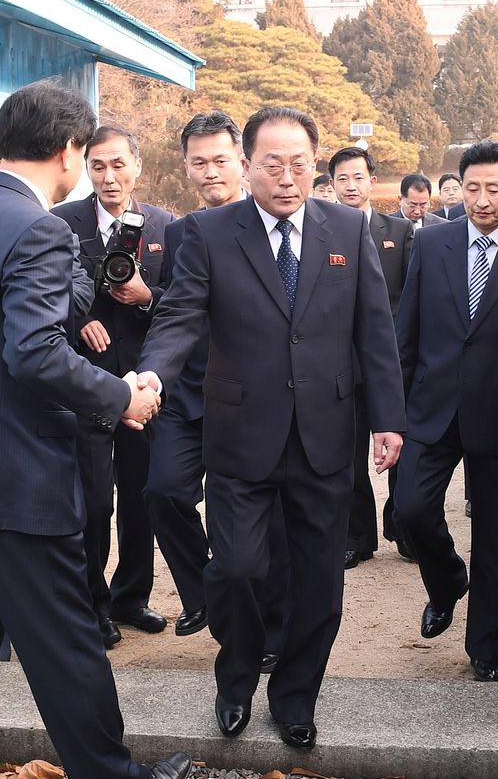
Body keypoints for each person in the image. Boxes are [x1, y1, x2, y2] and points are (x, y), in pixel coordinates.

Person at [0, 80, 190, 779]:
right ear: (69, 150)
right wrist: (119, 396)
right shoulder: (39, 227)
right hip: (14, 483)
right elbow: (32, 352)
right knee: (66, 651)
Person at [136, 106, 406, 750]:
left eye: (300, 164)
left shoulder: (347, 226)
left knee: (320, 584)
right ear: (247, 164)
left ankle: (294, 698)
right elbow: (179, 316)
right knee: (235, 570)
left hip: (323, 434)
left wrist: (388, 419)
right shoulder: (207, 232)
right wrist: (151, 375)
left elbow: (374, 329)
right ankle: (235, 681)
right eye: (272, 163)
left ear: (315, 165)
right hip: (239, 432)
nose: (287, 177)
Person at [393, 140, 498, 682]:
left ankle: (488, 646)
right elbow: (405, 331)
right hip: (432, 408)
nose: (482, 200)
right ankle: (448, 580)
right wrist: (394, 409)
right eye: (472, 188)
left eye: (494, 189)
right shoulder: (431, 244)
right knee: (409, 509)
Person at [145, 113, 289, 656]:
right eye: (199, 162)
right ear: (185, 168)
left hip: (254, 402)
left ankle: (270, 634)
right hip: (187, 395)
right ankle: (203, 594)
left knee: (266, 529)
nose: (210, 172)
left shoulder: (279, 228)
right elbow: (178, 311)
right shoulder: (181, 233)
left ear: (243, 163)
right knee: (163, 491)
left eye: (220, 160)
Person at [51, 126, 173, 647]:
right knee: (94, 501)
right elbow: (46, 296)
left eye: (118, 164)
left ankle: (132, 596)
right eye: (98, 165)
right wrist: (77, 321)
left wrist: (146, 296)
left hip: (145, 383)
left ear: (137, 167)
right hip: (88, 385)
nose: (108, 176)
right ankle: (92, 603)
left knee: (141, 496)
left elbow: (183, 303)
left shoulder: (167, 226)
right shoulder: (60, 223)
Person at [330, 146, 415, 566]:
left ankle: (400, 526)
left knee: (400, 448)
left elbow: (412, 299)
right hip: (342, 365)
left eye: (358, 177)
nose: (350, 185)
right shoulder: (322, 232)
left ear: (372, 181)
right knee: (347, 455)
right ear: (331, 185)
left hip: (394, 364)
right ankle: (357, 536)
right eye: (342, 178)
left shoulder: (400, 232)